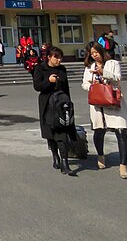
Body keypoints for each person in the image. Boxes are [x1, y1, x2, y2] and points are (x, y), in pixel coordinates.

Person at [82, 42, 127, 179]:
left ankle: (123, 165)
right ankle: (100, 156)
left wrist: (103, 73)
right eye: (92, 53)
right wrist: (92, 86)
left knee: (121, 131)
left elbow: (117, 79)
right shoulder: (90, 67)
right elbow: (84, 83)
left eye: (96, 52)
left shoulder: (113, 63)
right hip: (98, 102)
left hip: (113, 100)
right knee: (99, 131)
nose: (94, 55)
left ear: (101, 51)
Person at [33, 46, 77, 175]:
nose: (59, 60)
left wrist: (68, 103)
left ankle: (65, 163)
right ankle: (55, 156)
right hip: (47, 104)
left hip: (61, 105)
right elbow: (37, 86)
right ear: (49, 57)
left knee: (61, 132)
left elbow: (66, 87)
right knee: (50, 132)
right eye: (56, 57)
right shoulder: (40, 68)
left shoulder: (62, 69)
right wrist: (49, 81)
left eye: (60, 57)